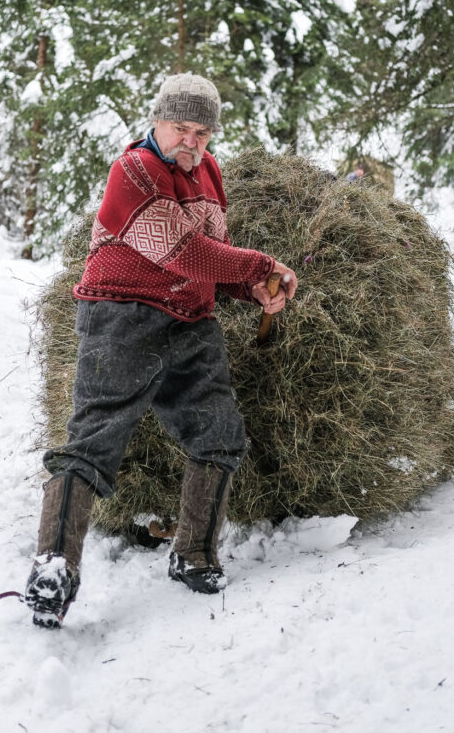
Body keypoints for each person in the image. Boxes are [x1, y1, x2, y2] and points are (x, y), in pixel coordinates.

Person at [24, 73, 298, 628]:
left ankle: (193, 554)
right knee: (93, 441)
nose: (191, 141)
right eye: (180, 127)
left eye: (202, 131)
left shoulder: (209, 171)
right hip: (122, 315)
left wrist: (250, 289)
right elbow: (183, 251)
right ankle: (53, 570)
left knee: (220, 435)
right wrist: (261, 265)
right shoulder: (134, 171)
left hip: (190, 322)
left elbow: (210, 257)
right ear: (156, 121)